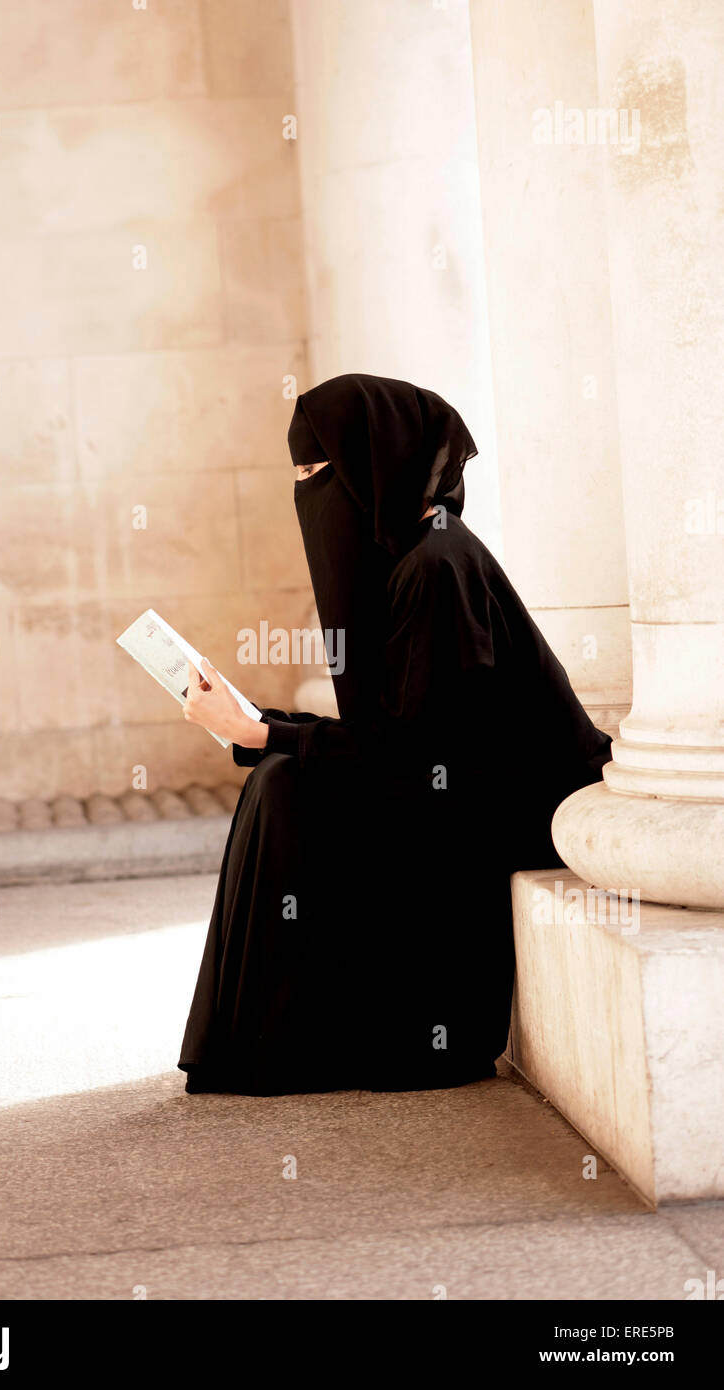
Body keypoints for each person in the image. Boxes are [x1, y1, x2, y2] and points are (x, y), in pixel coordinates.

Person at [177, 374, 611, 1097]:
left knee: (287, 786)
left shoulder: (437, 567)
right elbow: (402, 734)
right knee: (281, 775)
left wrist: (268, 734)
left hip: (512, 810)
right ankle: (273, 1046)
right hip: (461, 789)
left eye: (319, 473)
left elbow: (426, 759)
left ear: (373, 464)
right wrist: (265, 730)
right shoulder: (412, 557)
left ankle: (294, 1047)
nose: (308, 496)